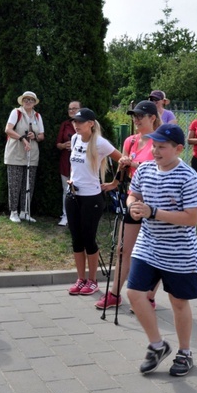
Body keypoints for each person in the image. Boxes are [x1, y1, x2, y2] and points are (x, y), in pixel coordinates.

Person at [126, 123, 197, 377]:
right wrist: (134, 205)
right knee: (135, 294)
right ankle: (157, 346)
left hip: (179, 252)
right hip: (148, 245)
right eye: (153, 146)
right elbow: (132, 195)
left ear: (179, 149)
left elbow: (192, 218)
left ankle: (185, 352)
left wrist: (154, 212)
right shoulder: (144, 169)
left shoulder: (189, 177)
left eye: (162, 147)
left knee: (178, 302)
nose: (155, 151)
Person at [95, 100, 161, 310]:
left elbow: (160, 166)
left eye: (140, 116)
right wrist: (115, 182)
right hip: (133, 199)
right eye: (134, 116)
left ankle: (149, 296)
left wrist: (133, 163)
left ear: (152, 118)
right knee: (124, 248)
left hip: (154, 201)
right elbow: (125, 170)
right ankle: (115, 294)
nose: (136, 120)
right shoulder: (131, 141)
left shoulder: (160, 140)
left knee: (155, 250)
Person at [66, 108, 122, 296]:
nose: (76, 125)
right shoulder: (74, 139)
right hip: (73, 195)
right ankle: (81, 279)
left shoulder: (99, 142)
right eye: (75, 121)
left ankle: (93, 281)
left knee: (89, 239)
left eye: (80, 121)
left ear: (91, 123)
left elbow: (124, 160)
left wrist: (115, 183)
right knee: (76, 240)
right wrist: (72, 179)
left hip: (92, 198)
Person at [4, 91, 44, 223]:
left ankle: (25, 211)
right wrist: (22, 138)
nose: (28, 102)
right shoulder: (16, 112)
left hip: (31, 154)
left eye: (31, 100)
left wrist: (35, 136)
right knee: (15, 184)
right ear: (22, 101)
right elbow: (8, 130)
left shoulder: (37, 116)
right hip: (16, 152)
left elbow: (42, 136)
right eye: (26, 99)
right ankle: (13, 212)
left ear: (34, 102)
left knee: (28, 184)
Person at [55, 101, 79, 226]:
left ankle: (78, 216)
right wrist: (64, 145)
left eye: (75, 108)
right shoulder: (65, 124)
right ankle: (66, 216)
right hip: (66, 160)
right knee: (66, 189)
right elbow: (58, 144)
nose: (72, 111)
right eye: (70, 109)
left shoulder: (86, 124)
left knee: (80, 189)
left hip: (81, 163)